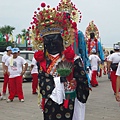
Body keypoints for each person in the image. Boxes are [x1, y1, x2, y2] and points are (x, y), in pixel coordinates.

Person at [29, 1, 89, 120]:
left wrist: (75, 85)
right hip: (50, 100)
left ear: (62, 40)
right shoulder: (41, 61)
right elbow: (42, 81)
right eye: (48, 42)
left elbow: (82, 79)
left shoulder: (74, 59)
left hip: (69, 100)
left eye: (54, 40)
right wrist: (57, 81)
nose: (51, 44)